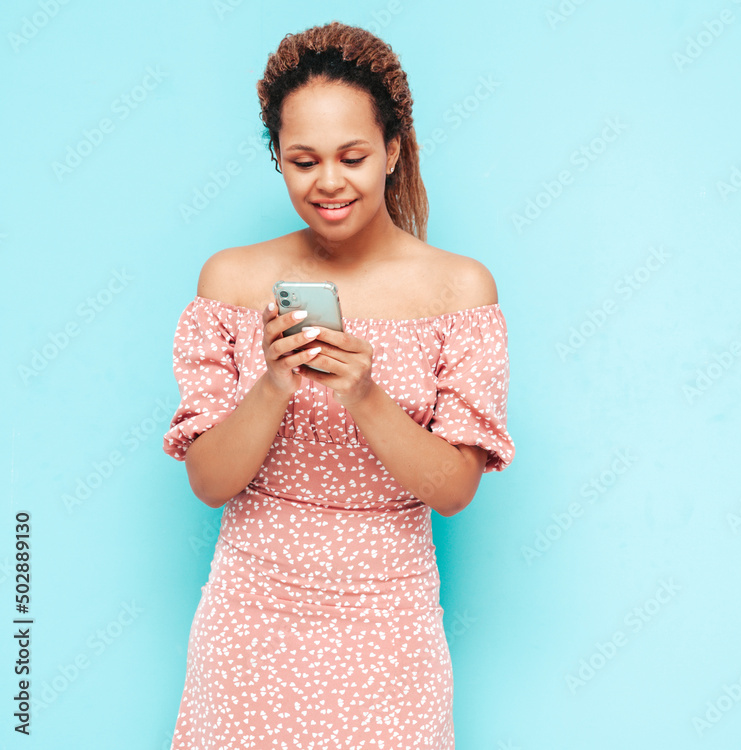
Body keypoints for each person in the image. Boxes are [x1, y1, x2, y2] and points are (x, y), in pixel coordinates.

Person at [161, 20, 514, 749]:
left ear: (393, 150)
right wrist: (273, 385)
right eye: (303, 160)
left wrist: (363, 393)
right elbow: (209, 483)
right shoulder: (230, 280)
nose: (328, 182)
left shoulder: (459, 290)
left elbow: (454, 491)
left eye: (353, 157)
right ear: (277, 158)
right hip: (250, 621)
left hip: (390, 626)